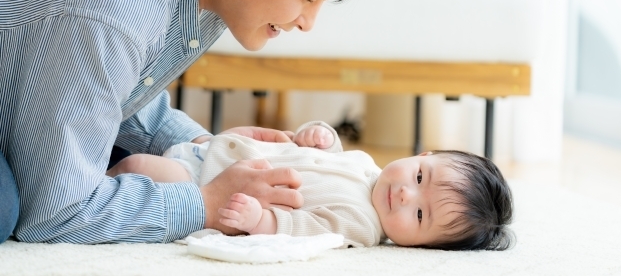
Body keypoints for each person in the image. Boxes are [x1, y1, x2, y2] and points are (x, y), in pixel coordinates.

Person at [0, 0, 391, 244]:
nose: (308, 23)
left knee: (129, 166)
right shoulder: (116, 1)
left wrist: (205, 147)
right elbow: (53, 213)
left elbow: (111, 80)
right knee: (7, 206)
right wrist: (207, 203)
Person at [108, 122, 515, 250]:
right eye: (420, 177)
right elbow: (328, 154)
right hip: (219, 152)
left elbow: (306, 229)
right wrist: (319, 135)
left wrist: (260, 220)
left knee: (136, 166)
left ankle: (91, 193)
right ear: (423, 155)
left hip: (206, 186)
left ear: (420, 245)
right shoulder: (366, 165)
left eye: (420, 214)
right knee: (120, 141)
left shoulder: (362, 224)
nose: (407, 194)